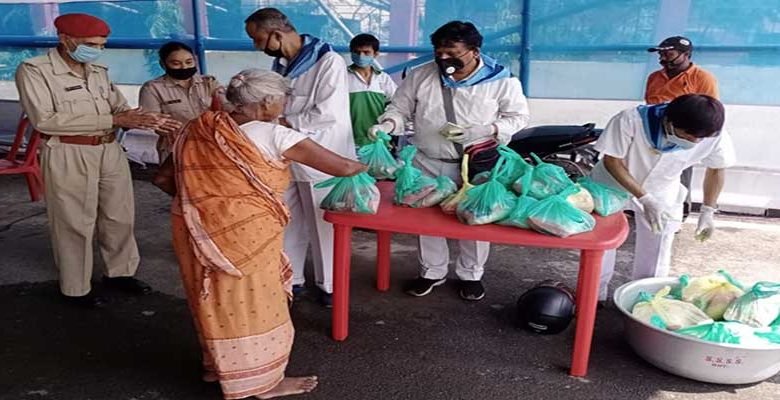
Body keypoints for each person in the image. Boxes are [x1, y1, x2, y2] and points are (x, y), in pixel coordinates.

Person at [153, 69, 366, 399]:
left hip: (193, 228)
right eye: (283, 98)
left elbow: (164, 179)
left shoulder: (198, 128)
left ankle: (217, 368)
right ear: (268, 102)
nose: (284, 104)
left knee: (212, 299)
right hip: (248, 233)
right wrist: (379, 162)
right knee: (256, 303)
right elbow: (344, 168)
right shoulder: (277, 136)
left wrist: (204, 207)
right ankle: (263, 384)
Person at [15, 13, 181, 308]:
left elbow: (118, 107)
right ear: (65, 40)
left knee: (119, 216)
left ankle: (120, 273)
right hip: (69, 151)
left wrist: (144, 119)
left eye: (102, 45)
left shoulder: (97, 70)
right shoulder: (35, 71)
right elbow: (45, 120)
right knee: (74, 222)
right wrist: (116, 118)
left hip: (109, 149)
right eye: (91, 44)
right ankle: (75, 287)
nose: (97, 50)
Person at [368, 21, 530, 301]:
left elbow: (518, 117)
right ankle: (432, 271)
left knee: (475, 218)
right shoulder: (421, 75)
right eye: (438, 52)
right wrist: (387, 124)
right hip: (427, 161)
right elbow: (400, 108)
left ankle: (471, 274)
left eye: (451, 52)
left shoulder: (502, 81)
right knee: (425, 220)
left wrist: (488, 130)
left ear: (474, 51)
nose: (443, 59)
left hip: (475, 165)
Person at [245, 8, 356, 306]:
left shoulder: (327, 61)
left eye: (258, 39)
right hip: (288, 153)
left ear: (277, 34)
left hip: (322, 155)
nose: (256, 46)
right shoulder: (281, 64)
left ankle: (329, 285)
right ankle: (292, 279)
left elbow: (327, 114)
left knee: (323, 223)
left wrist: (281, 122)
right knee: (288, 218)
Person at [591, 94, 736, 302]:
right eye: (687, 136)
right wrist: (645, 198)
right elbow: (613, 161)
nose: (694, 142)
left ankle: (645, 301)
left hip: (662, 188)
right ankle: (594, 297)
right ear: (668, 121)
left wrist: (708, 211)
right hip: (612, 185)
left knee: (657, 250)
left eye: (700, 138)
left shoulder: (712, 133)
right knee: (603, 245)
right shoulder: (630, 120)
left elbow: (716, 169)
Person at [646, 36, 720, 220]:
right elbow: (648, 105)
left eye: (669, 53)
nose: (663, 58)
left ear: (685, 54)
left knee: (681, 173)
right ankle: (646, 206)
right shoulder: (654, 77)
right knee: (653, 171)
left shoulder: (702, 78)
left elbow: (710, 109)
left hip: (685, 134)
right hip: (656, 132)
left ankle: (679, 214)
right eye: (661, 54)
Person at [139, 41, 230, 163]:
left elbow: (227, 107)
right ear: (163, 64)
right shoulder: (152, 89)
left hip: (212, 146)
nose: (184, 67)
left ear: (195, 61)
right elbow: (153, 122)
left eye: (189, 62)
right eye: (176, 63)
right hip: (176, 149)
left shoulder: (208, 82)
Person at [347, 33, 397, 148]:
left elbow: (396, 105)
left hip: (377, 140)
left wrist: (387, 128)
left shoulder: (383, 78)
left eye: (366, 52)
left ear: (376, 54)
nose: (361, 56)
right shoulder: (342, 76)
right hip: (348, 140)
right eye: (356, 52)